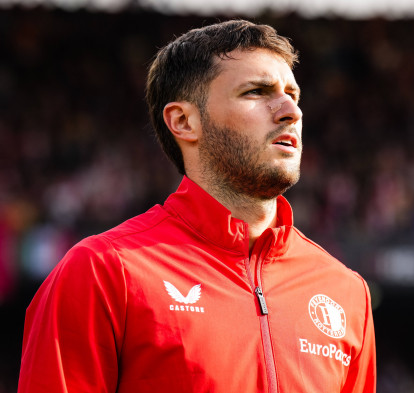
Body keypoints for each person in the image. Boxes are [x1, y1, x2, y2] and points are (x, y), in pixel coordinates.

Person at [18, 19, 376, 393]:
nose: (291, 111)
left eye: (293, 95)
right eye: (257, 91)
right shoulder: (102, 272)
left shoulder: (345, 291)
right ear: (184, 121)